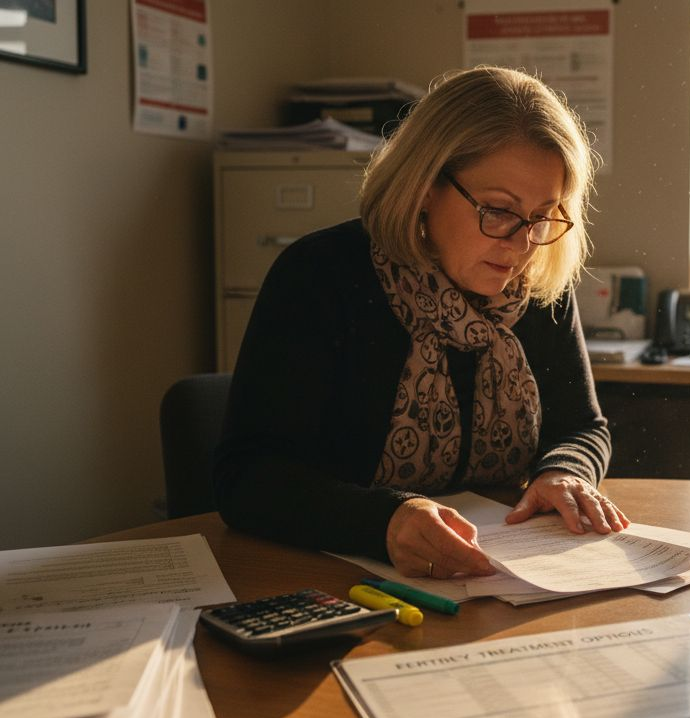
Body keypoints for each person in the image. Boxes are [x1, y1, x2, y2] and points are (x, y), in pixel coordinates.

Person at [215, 66, 628, 581]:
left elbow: (580, 426)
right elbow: (248, 479)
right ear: (425, 186)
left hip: (494, 579)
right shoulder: (320, 276)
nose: (522, 246)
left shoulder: (538, 284)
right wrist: (383, 521)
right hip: (328, 578)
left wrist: (565, 470)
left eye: (543, 216)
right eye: (498, 211)